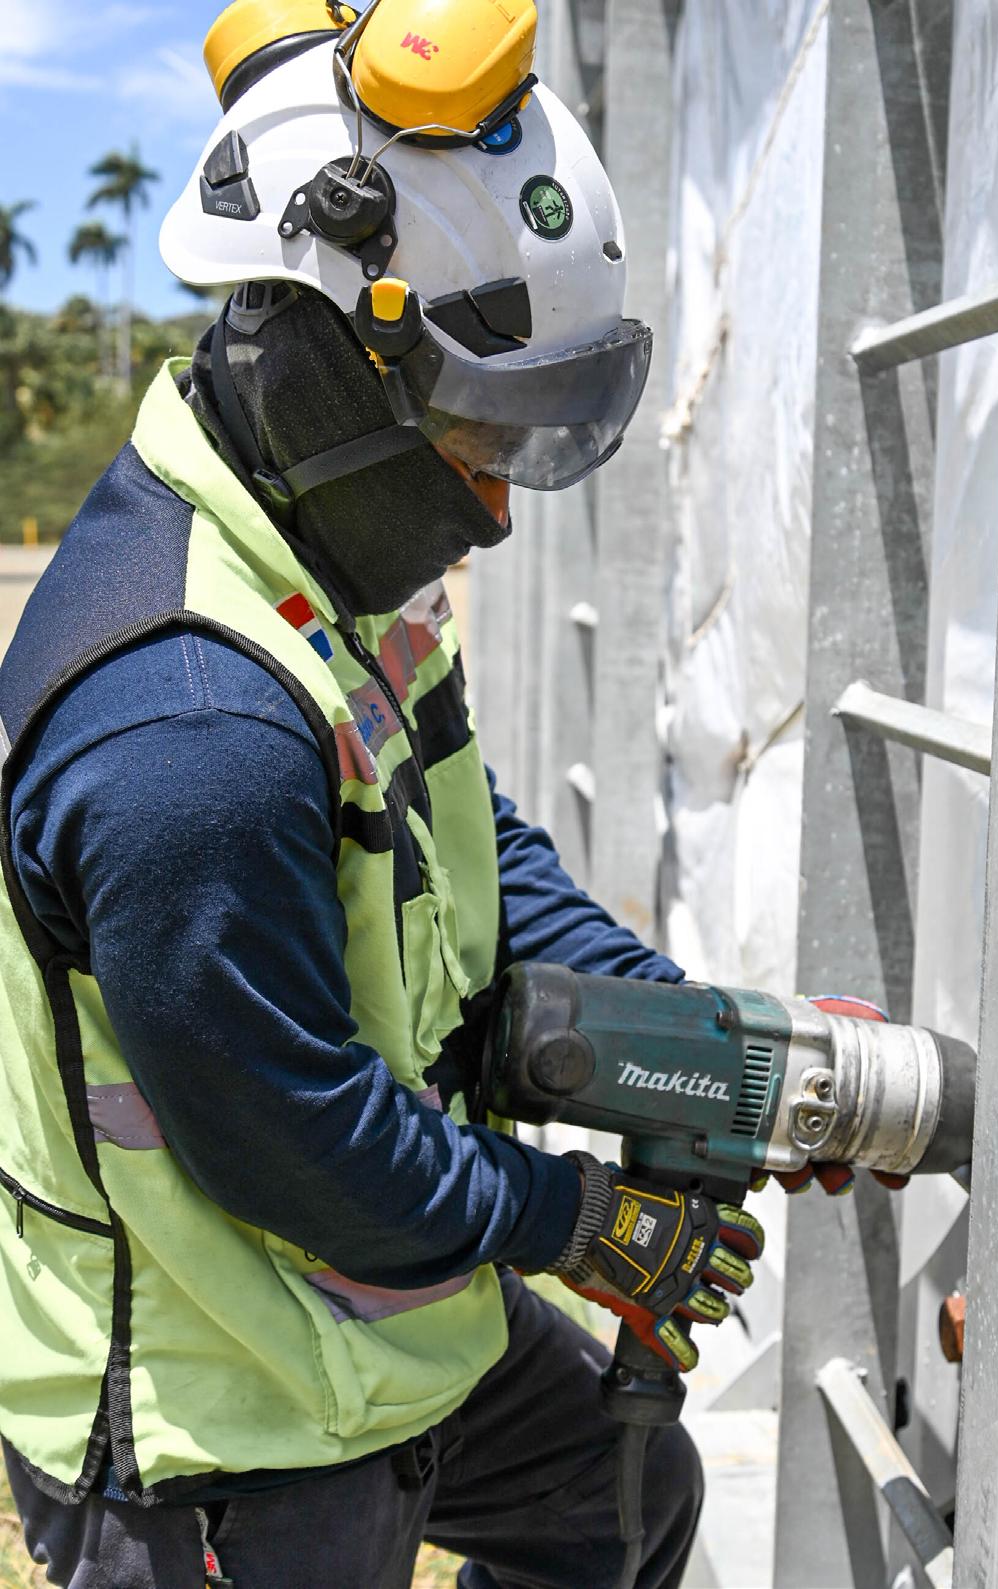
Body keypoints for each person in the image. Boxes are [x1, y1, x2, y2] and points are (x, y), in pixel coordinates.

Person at [0, 4, 760, 1585]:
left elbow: (464, 844)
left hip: (375, 1311)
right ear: (328, 361)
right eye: (479, 434)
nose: (494, 508)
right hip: (219, 1414)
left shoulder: (324, 555)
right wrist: (579, 1220)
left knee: (621, 1502)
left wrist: (693, 1046)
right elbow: (297, 1142)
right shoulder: (186, 727)